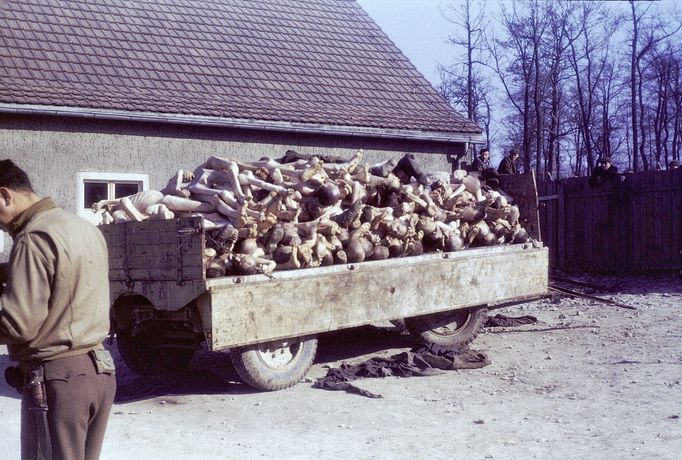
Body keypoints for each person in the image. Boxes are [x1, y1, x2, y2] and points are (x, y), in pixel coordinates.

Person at [0, 160, 116, 460]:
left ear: (4, 195)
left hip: (59, 381)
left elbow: (17, 324)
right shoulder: (80, 226)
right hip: (98, 371)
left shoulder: (33, 238)